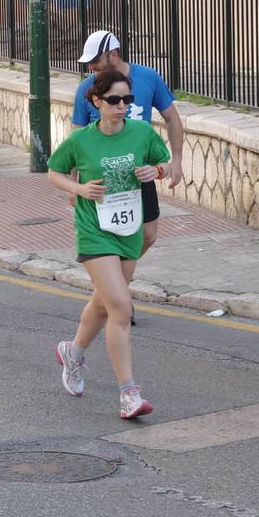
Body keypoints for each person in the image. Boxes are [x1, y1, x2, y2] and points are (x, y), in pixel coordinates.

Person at [47, 69, 171, 419]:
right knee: (121, 307)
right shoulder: (81, 141)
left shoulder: (142, 132)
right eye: (114, 100)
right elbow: (53, 171)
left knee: (103, 303)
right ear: (96, 101)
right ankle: (129, 394)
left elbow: (164, 162)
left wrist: (156, 172)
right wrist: (79, 189)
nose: (122, 106)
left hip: (127, 228)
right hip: (94, 229)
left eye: (127, 100)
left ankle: (73, 352)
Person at [73, 29, 186, 257]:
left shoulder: (148, 77)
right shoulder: (87, 88)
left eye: (95, 61)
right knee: (108, 237)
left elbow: (172, 117)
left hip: (139, 174)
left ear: (114, 54)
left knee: (147, 235)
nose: (91, 68)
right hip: (102, 176)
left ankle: (116, 282)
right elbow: (77, 137)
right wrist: (74, 182)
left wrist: (177, 160)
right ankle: (113, 282)